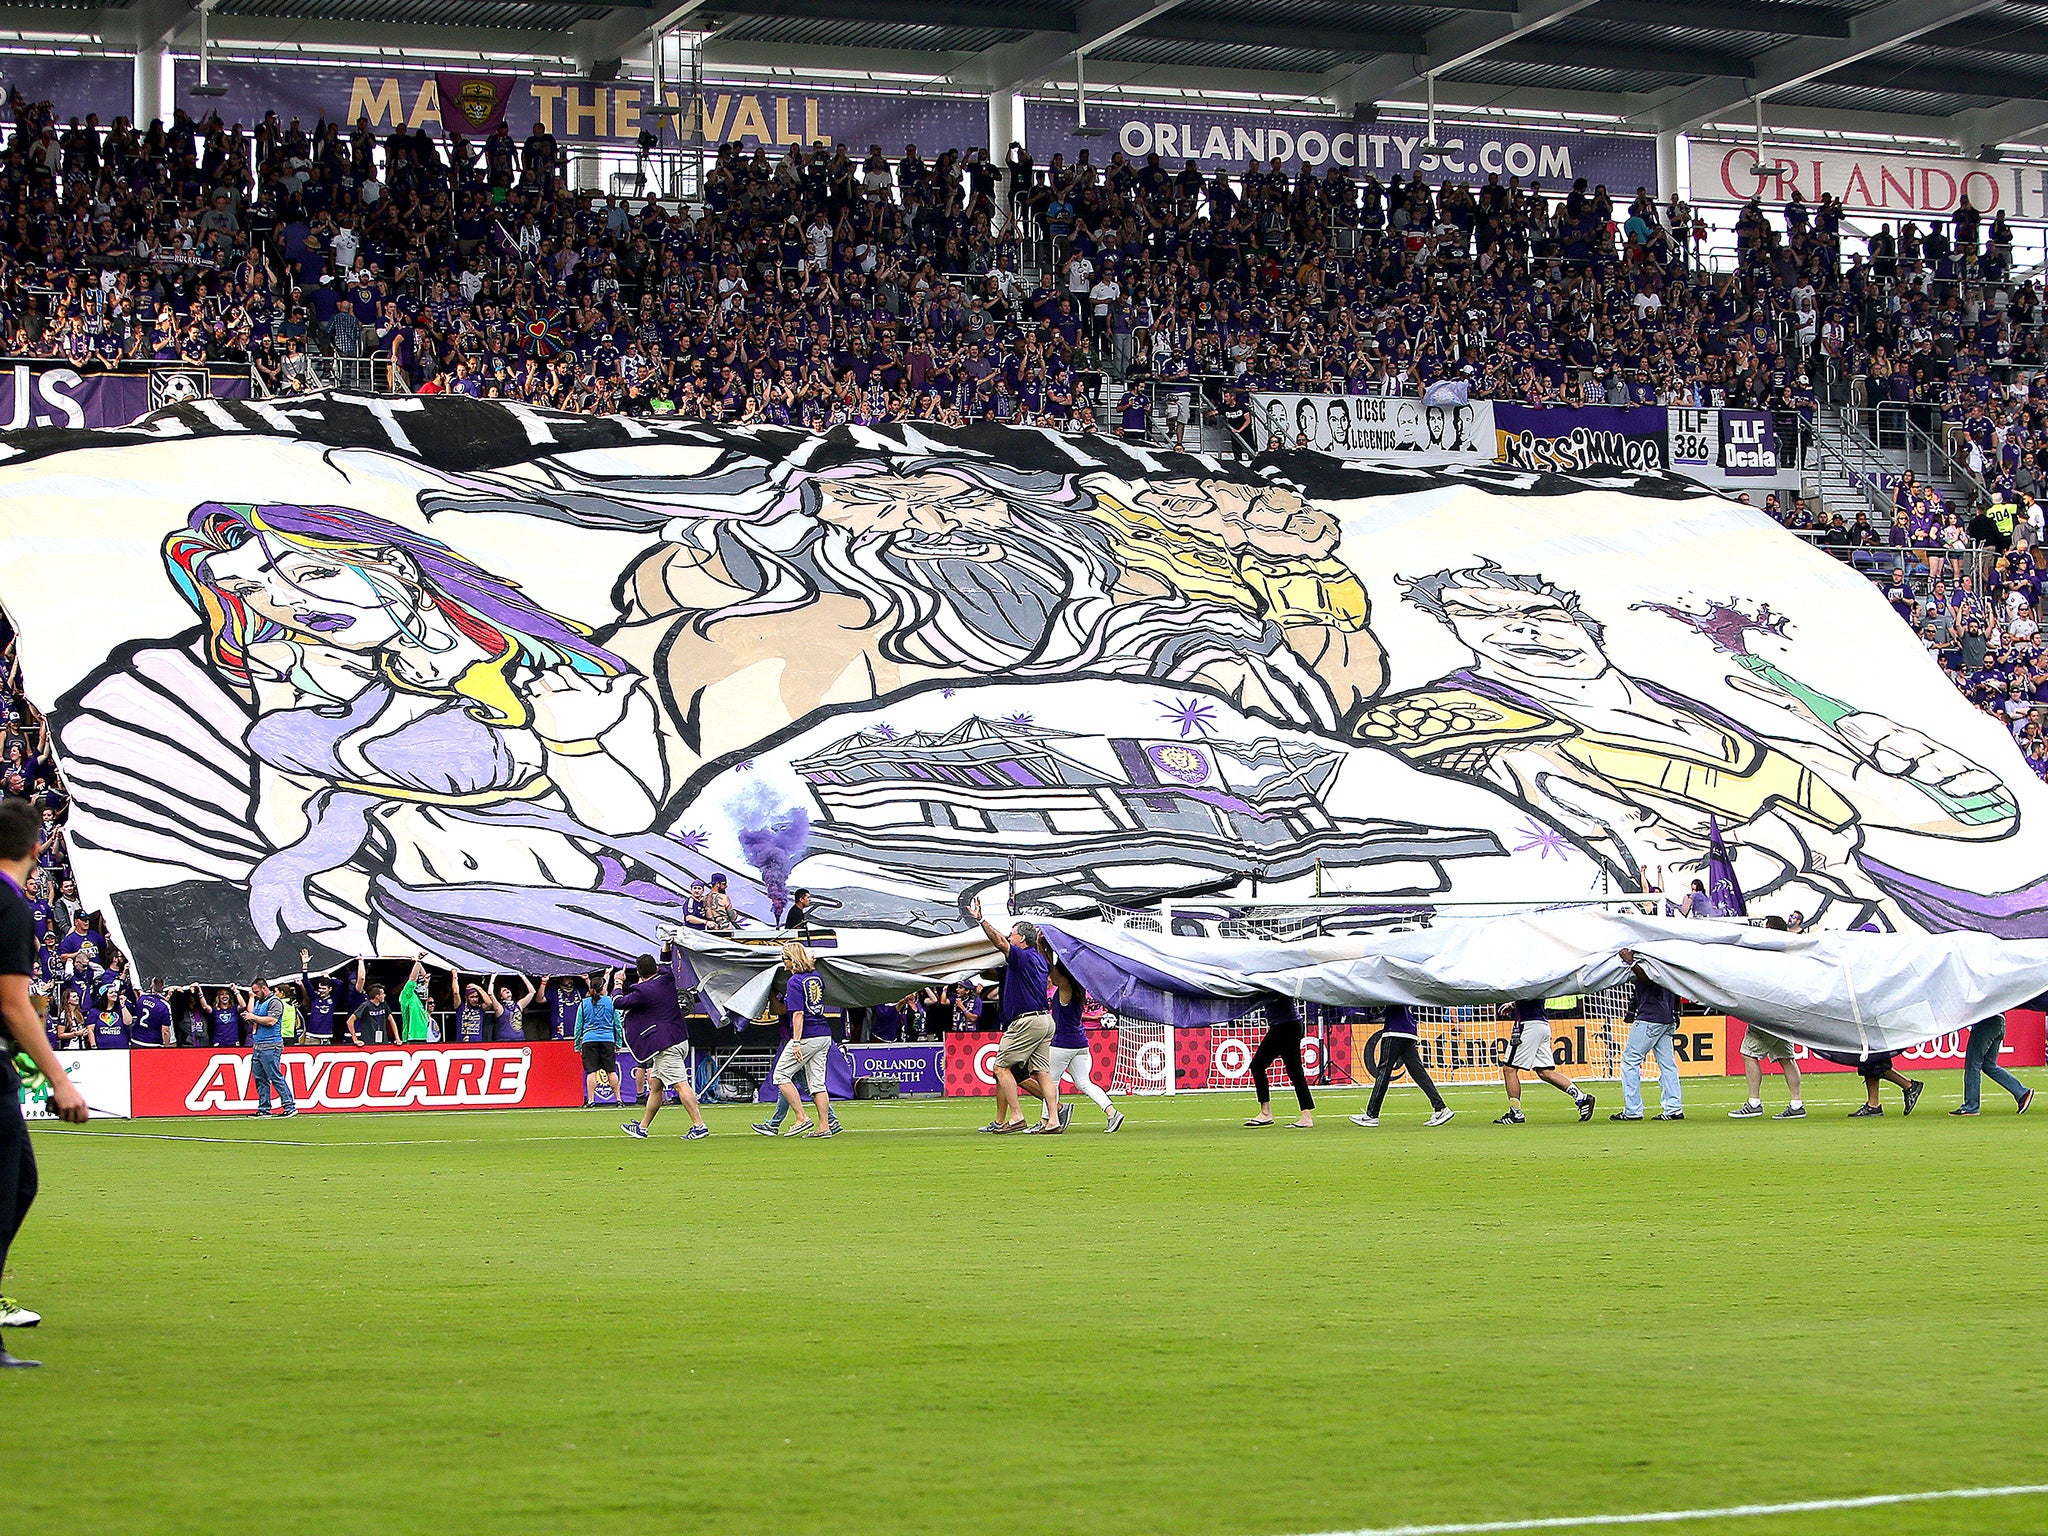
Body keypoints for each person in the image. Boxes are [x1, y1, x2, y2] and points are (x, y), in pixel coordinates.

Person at [0, 796, 90, 1368]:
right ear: (39, 848)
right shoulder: (10, 907)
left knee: (20, 1183)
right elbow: (11, 1000)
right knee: (12, 1187)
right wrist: (60, 1079)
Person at [971, 897, 1055, 1135]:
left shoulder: (1022, 956)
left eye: (1013, 934)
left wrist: (981, 920)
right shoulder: (1039, 959)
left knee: (1000, 1068)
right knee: (1043, 1072)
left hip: (1026, 1021)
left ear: (1023, 940)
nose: (1009, 936)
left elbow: (999, 942)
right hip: (1045, 1020)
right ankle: (1054, 1119)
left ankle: (1016, 1116)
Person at [617, 953, 709, 1140]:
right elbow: (666, 962)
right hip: (678, 1038)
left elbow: (618, 1002)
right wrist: (666, 945)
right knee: (655, 1086)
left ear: (640, 973)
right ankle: (642, 1127)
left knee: (680, 1084)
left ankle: (699, 1125)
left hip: (665, 1045)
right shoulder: (667, 978)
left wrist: (618, 983)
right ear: (656, 968)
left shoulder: (642, 991)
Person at [1040, 940, 1121, 1133]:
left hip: (1062, 1043)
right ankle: (1112, 1112)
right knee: (1084, 1082)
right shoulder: (1079, 988)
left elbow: (1050, 969)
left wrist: (1042, 949)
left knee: (1051, 1082)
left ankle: (1046, 1120)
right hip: (1080, 1042)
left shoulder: (1066, 987)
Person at [1730, 916, 1806, 1119]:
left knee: (1748, 1053)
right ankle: (1797, 1104)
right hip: (1785, 1012)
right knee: (1786, 1057)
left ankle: (1754, 1102)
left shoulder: (1767, 955)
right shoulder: (1789, 953)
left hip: (1767, 1011)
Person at [768, 941, 838, 1138]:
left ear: (793, 960)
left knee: (781, 1075)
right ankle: (824, 1126)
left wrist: (796, 1041)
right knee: (817, 1084)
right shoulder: (816, 976)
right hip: (824, 1033)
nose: (783, 963)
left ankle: (801, 1117)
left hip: (807, 1035)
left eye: (785, 959)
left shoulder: (794, 982)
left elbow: (798, 1014)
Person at [1350, 1005, 1454, 1128]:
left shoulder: (1392, 987)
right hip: (1409, 1030)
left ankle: (1372, 1115)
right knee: (1418, 1072)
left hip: (1394, 1030)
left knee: (1384, 1072)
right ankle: (1440, 1108)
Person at [1495, 997, 1595, 1124]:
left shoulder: (1528, 979)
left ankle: (1516, 1113)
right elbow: (1531, 996)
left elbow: (1526, 993)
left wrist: (1513, 1003)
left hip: (1528, 1024)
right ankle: (1582, 1098)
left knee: (1509, 1069)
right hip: (1542, 1024)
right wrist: (1514, 1005)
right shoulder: (1537, 979)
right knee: (1545, 1071)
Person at [1613, 948, 1683, 1121]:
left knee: (1630, 1060)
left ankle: (1633, 1110)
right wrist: (1675, 1012)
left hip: (1650, 1017)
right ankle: (1674, 1108)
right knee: (1668, 1065)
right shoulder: (1665, 965)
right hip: (1666, 1018)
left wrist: (1631, 962)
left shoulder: (1648, 965)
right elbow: (1676, 990)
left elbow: (1648, 978)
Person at [1243, 993, 1314, 1129]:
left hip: (1285, 1027)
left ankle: (1266, 1113)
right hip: (1287, 1025)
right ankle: (1305, 1115)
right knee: (1294, 1071)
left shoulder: (1276, 984)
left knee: (1259, 1066)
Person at [1954, 1012, 2034, 1116]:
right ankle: (2022, 1093)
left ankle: (1971, 1106)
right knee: (1988, 1065)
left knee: (1973, 1064)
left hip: (1986, 1021)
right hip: (1999, 1022)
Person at [240, 978, 295, 1117]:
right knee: (260, 1078)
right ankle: (264, 1108)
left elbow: (271, 1021)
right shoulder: (259, 1002)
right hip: (259, 1045)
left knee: (274, 1075)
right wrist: (249, 1015)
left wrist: (253, 1016)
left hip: (271, 1045)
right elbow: (255, 1017)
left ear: (264, 988)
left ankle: (289, 1105)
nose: (255, 994)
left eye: (256, 991)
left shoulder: (274, 1002)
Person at [573, 970, 623, 1107]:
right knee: (611, 1071)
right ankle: (618, 1099)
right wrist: (618, 1042)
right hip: (607, 1039)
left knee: (591, 1071)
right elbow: (618, 1024)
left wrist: (577, 1044)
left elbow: (578, 1026)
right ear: (603, 987)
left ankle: (591, 1100)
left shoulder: (583, 1004)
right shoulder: (611, 1002)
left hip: (589, 1039)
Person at [347, 971, 392, 1046]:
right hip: (368, 1041)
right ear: (377, 996)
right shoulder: (366, 1005)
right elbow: (349, 1021)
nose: (385, 995)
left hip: (382, 1040)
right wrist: (355, 1039)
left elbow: (391, 1020)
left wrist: (397, 1038)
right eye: (382, 994)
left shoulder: (383, 1005)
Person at [397, 958, 434, 1043]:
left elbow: (425, 978)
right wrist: (418, 961)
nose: (423, 985)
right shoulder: (407, 994)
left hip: (425, 1037)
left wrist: (419, 962)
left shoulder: (423, 995)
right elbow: (412, 978)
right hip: (411, 1038)